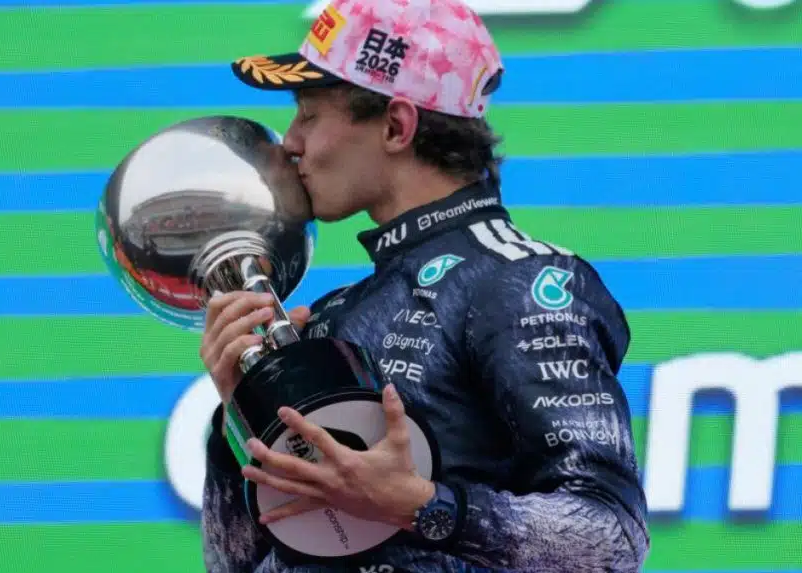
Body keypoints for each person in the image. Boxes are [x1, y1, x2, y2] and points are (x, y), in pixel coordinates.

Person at [198, 0, 651, 571]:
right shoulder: (334, 313)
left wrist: (420, 506)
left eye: (309, 114)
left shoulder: (520, 282)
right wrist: (235, 416)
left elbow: (614, 537)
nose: (290, 142)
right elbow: (235, 564)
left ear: (396, 126)